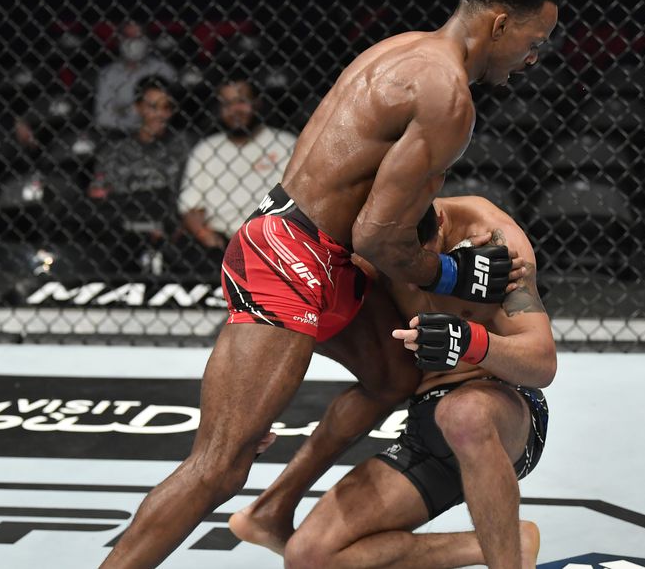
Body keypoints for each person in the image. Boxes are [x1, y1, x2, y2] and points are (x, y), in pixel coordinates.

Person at [100, 0, 561, 567]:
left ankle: (274, 509)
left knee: (394, 378)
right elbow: (376, 235)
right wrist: (455, 273)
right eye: (536, 40)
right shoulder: (448, 96)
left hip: (315, 251)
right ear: (500, 23)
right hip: (294, 259)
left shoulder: (401, 49)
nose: (534, 57)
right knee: (219, 466)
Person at [233, 197, 555, 569]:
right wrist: (255, 414)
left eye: (419, 261)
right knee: (309, 556)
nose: (409, 274)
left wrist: (470, 341)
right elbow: (286, 322)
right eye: (396, 265)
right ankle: (507, 543)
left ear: (439, 224)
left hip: (504, 407)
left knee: (463, 414)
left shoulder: (494, 239)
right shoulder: (367, 248)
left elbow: (542, 364)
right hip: (427, 424)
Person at [174, 76, 296, 273]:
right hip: (219, 241)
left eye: (241, 101)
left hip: (273, 237)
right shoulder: (206, 148)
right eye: (227, 103)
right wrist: (207, 237)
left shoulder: (285, 143)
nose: (235, 110)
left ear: (257, 103)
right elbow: (191, 208)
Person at [85, 79, 191, 271]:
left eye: (166, 107)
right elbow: (100, 195)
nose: (160, 114)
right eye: (152, 106)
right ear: (138, 107)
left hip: (172, 227)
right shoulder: (114, 151)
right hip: (121, 230)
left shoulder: (186, 146)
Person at [94, 21, 179, 132]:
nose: (133, 42)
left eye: (139, 37)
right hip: (119, 135)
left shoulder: (164, 70)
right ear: (118, 40)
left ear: (148, 39)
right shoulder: (108, 74)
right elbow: (103, 118)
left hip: (160, 133)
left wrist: (125, 112)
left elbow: (172, 112)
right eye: (128, 36)